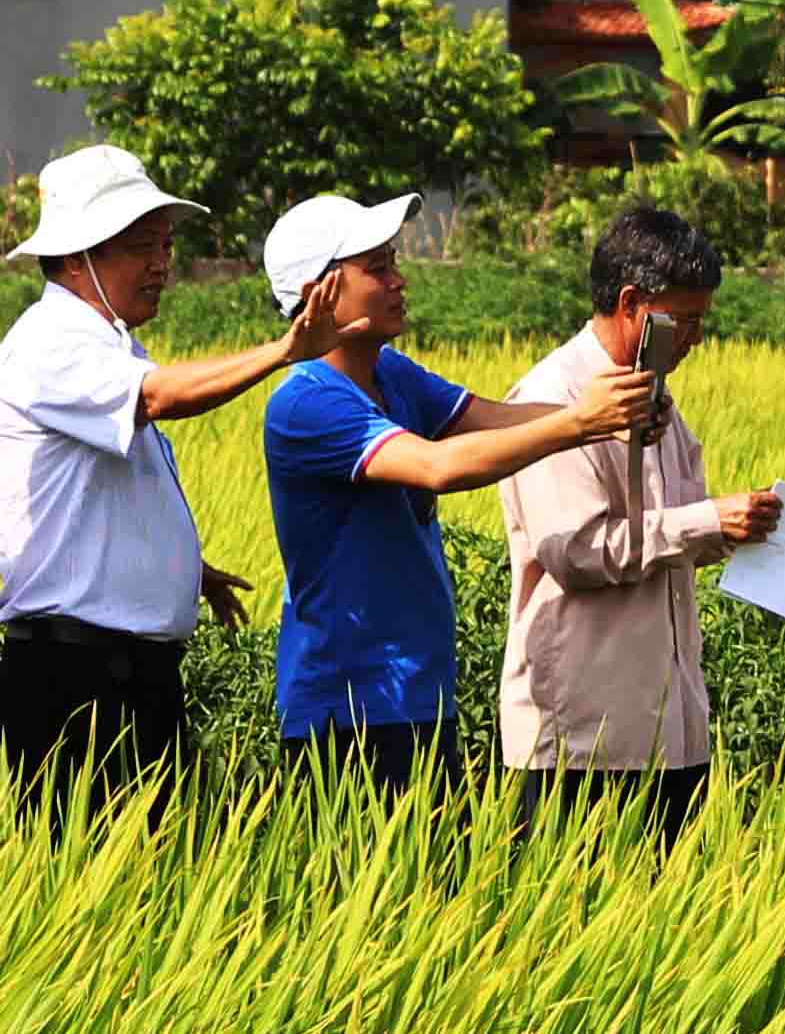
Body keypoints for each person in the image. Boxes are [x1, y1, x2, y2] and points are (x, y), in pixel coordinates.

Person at [255, 191, 656, 792]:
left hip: (419, 691)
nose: (400, 281)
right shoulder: (306, 402)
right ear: (322, 292)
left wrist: (616, 412)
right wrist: (579, 422)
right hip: (348, 705)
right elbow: (439, 468)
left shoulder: (390, 371)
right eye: (379, 268)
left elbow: (496, 418)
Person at [0, 146, 333, 806]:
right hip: (74, 676)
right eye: (139, 248)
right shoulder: (50, 344)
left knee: (164, 877)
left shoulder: (111, 343)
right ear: (75, 257)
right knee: (93, 882)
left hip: (131, 671)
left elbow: (97, 494)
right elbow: (154, 399)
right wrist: (285, 351)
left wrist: (184, 568)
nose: (161, 265)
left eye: (165, 245)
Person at [496, 205, 785, 837]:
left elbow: (677, 533)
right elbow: (578, 551)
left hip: (670, 726)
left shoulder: (656, 397)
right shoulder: (553, 399)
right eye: (683, 320)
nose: (693, 337)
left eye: (701, 321)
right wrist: (706, 522)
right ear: (632, 302)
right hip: (583, 735)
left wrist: (759, 518)